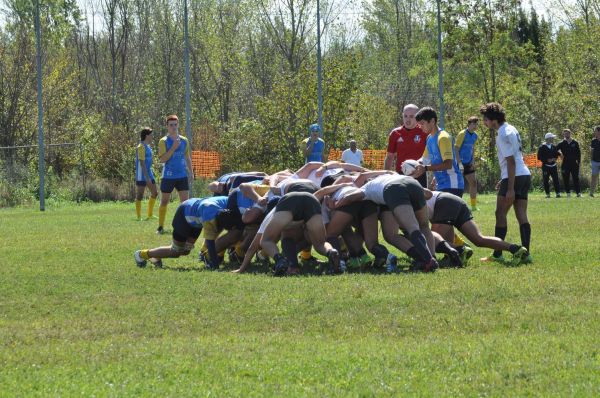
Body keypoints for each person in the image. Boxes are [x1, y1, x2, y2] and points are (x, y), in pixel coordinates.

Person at [479, 103, 532, 264]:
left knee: (500, 213)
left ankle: (497, 254)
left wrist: (509, 188)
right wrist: (504, 178)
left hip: (514, 177)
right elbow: (515, 158)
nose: (485, 123)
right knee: (521, 215)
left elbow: (510, 161)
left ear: (494, 120)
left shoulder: (502, 133)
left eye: (486, 120)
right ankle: (526, 254)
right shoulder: (511, 129)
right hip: (524, 175)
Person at [424, 189, 529, 266]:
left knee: (434, 241)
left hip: (443, 203)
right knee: (479, 239)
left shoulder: (408, 195)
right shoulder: (412, 188)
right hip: (453, 200)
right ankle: (515, 249)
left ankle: (461, 249)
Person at [134, 196, 229, 268]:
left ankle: (156, 256)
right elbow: (210, 241)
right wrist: (215, 265)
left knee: (185, 251)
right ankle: (141, 254)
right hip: (184, 215)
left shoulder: (229, 201)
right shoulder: (210, 212)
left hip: (196, 220)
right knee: (175, 251)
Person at [410, 107, 464, 197]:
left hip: (453, 185)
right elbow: (424, 159)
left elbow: (448, 164)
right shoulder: (429, 138)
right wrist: (412, 165)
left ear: (432, 121)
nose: (420, 127)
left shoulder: (443, 138)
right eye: (419, 125)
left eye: (422, 124)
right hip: (441, 185)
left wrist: (425, 168)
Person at [156, 115, 194, 234]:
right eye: (171, 125)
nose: (173, 127)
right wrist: (173, 147)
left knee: (185, 203)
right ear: (167, 126)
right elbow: (162, 159)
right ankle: (160, 227)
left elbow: (187, 157)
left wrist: (191, 173)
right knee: (164, 202)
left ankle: (184, 226)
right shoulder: (163, 141)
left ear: (178, 125)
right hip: (168, 176)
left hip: (182, 176)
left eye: (175, 124)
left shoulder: (184, 140)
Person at [384, 104, 428, 187]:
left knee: (420, 199)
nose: (408, 119)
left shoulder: (424, 132)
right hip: (400, 175)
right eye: (405, 116)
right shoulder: (395, 133)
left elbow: (431, 154)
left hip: (419, 174)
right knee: (401, 199)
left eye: (411, 116)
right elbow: (390, 157)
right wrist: (385, 175)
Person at [455, 117, 480, 210]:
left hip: (469, 163)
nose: (476, 126)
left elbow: (472, 148)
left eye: (477, 124)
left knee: (473, 183)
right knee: (459, 185)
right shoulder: (462, 134)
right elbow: (456, 149)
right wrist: (459, 163)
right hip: (460, 163)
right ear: (469, 124)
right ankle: (457, 205)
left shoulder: (475, 136)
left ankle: (473, 206)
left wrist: (472, 160)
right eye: (474, 124)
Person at [134, 127, 158, 220]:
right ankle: (139, 217)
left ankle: (150, 215)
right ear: (147, 135)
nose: (152, 136)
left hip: (149, 172)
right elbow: (142, 162)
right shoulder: (140, 147)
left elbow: (149, 161)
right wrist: (146, 176)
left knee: (155, 193)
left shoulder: (148, 146)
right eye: (151, 134)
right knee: (140, 195)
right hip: (141, 174)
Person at [556, 129, 581, 197]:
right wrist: (560, 154)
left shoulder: (575, 142)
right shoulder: (561, 143)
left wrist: (578, 162)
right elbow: (555, 149)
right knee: (566, 178)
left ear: (570, 134)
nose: (566, 135)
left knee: (576, 178)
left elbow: (578, 153)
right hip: (565, 163)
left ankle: (578, 193)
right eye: (564, 134)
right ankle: (568, 193)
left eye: (567, 133)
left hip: (574, 163)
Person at [537, 132, 561, 198]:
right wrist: (547, 160)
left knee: (556, 180)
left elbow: (557, 154)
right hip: (546, 167)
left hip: (553, 166)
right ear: (548, 139)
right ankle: (548, 194)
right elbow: (539, 157)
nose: (553, 139)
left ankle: (558, 193)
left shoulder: (553, 146)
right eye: (552, 138)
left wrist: (555, 158)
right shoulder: (542, 147)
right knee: (546, 180)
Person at [590, 126, 600, 197]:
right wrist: (591, 160)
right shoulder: (593, 140)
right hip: (595, 162)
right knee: (594, 177)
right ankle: (591, 193)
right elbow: (592, 151)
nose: (594, 132)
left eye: (595, 131)